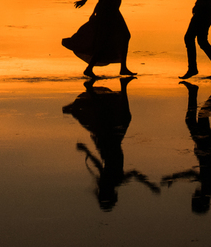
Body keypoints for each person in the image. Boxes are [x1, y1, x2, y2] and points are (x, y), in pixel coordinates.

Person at [63, 76, 159, 211]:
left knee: (116, 116)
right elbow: (130, 172)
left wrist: (86, 151)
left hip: (111, 143)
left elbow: (103, 165)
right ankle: (109, 88)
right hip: (109, 144)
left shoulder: (114, 181)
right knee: (111, 116)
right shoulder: (112, 181)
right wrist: (149, 184)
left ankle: (110, 88)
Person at [162, 79, 211, 214]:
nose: (193, 194)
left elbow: (195, 174)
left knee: (199, 118)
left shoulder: (209, 189)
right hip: (206, 147)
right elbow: (194, 173)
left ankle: (200, 90)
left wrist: (175, 177)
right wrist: (174, 176)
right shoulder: (209, 187)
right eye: (194, 198)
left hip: (206, 148)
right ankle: (208, 90)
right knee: (197, 118)